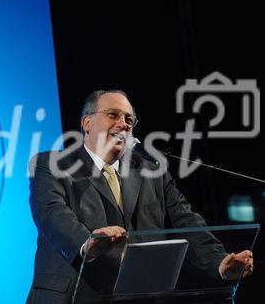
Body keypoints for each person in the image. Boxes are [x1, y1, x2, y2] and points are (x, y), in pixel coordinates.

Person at [26, 90, 254, 303]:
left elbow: (186, 221)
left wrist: (219, 262)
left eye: (129, 119)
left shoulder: (151, 170)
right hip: (72, 296)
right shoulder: (50, 164)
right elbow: (52, 213)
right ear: (87, 123)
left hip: (138, 295)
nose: (123, 124)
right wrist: (86, 245)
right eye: (113, 115)